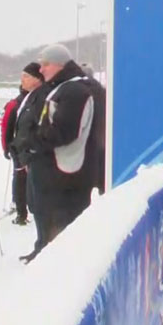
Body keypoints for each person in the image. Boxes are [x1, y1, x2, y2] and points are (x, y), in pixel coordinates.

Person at [15, 44, 103, 263]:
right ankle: (45, 252)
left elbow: (64, 132)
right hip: (61, 173)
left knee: (61, 233)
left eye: (45, 65)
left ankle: (53, 266)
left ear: (59, 65)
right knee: (52, 226)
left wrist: (31, 142)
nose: (41, 70)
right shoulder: (66, 87)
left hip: (64, 175)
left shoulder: (74, 90)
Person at [1, 63, 44, 226]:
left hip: (33, 151)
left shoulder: (41, 99)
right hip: (19, 150)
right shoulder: (17, 102)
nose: (22, 80)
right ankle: (21, 211)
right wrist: (7, 146)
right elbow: (7, 125)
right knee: (19, 180)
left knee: (30, 181)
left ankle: (33, 210)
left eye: (26, 76)